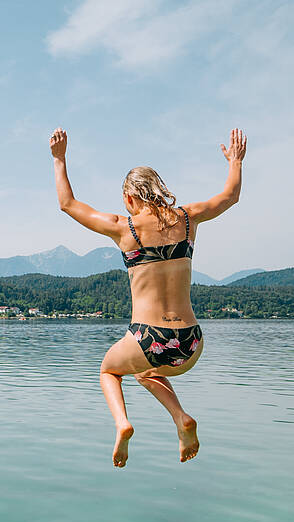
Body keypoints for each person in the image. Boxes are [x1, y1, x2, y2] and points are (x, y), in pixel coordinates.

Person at [49, 127, 247, 467]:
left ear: (129, 198)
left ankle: (122, 423)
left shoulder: (123, 226)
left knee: (109, 372)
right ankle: (181, 419)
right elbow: (229, 196)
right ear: (159, 190)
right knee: (146, 371)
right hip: (191, 341)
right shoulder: (187, 217)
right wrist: (235, 162)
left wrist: (59, 159)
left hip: (149, 337)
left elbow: (67, 204)